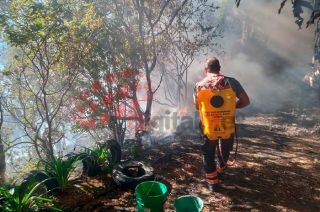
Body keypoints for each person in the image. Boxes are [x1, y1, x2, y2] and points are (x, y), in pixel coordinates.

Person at [193, 57, 250, 191]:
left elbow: (197, 106)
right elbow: (246, 101)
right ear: (219, 68)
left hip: (208, 126)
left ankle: (213, 183)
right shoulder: (232, 82)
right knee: (225, 148)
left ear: (206, 70)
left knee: (208, 153)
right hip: (226, 125)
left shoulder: (199, 85)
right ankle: (221, 169)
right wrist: (231, 106)